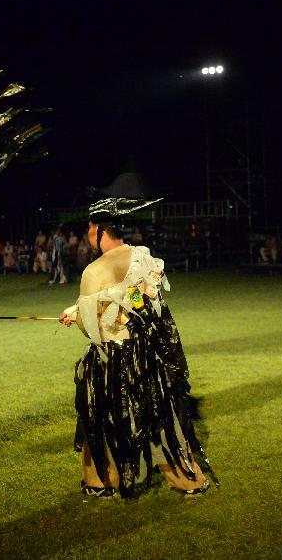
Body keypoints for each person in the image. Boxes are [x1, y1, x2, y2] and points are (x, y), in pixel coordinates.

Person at [59, 197, 217, 499]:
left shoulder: (93, 271)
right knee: (161, 418)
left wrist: (77, 314)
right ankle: (189, 480)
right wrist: (79, 309)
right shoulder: (143, 257)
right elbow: (136, 298)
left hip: (112, 359)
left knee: (102, 417)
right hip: (146, 355)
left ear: (100, 230)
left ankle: (102, 481)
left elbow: (91, 327)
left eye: (91, 228)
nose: (88, 235)